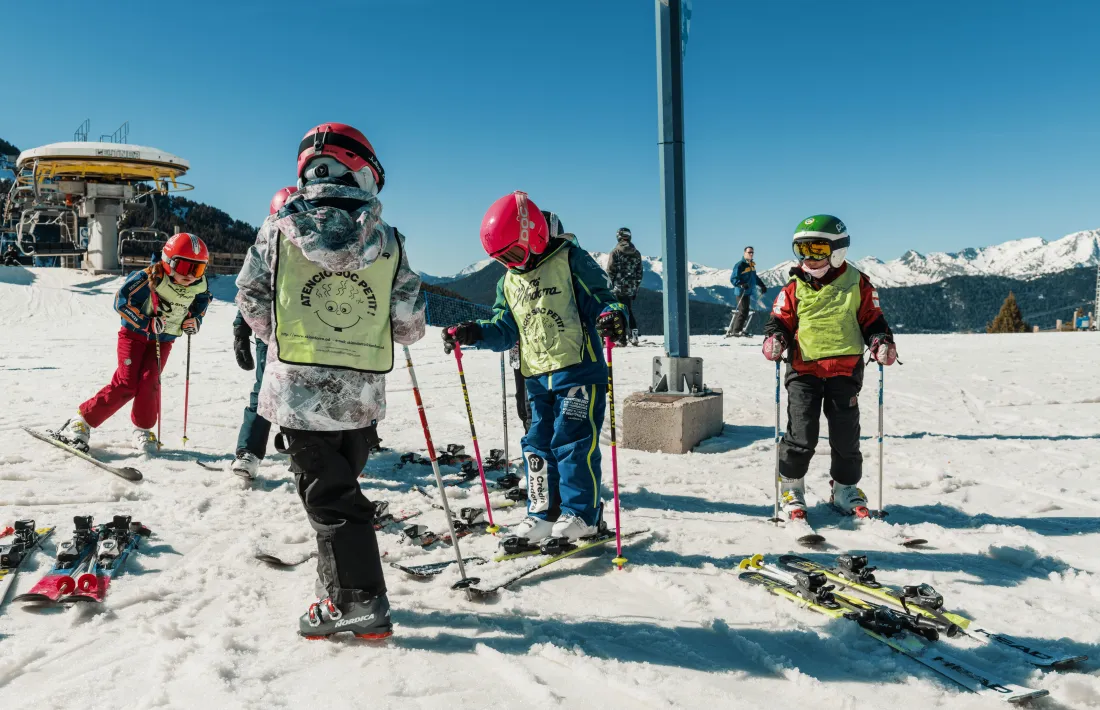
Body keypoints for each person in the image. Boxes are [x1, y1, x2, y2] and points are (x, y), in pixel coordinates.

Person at [236, 122, 424, 640]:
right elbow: (409, 326)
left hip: (298, 394)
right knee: (337, 493)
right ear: (362, 172)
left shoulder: (276, 231)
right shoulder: (389, 242)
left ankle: (359, 603)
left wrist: (285, 340)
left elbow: (251, 297)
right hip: (360, 400)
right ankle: (341, 589)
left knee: (330, 501)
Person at [444, 191, 625, 545]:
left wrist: (611, 315)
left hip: (578, 369)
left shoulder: (571, 260)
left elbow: (603, 299)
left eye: (513, 253)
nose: (511, 263)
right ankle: (542, 513)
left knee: (572, 441)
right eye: (501, 259)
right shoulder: (509, 281)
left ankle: (582, 515)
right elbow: (504, 329)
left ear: (535, 236)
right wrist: (474, 333)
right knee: (537, 443)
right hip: (536, 376)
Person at [761, 215, 897, 523]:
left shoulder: (857, 283)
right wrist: (776, 338)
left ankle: (845, 488)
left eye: (818, 249)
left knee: (845, 434)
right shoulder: (793, 286)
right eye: (803, 250)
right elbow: (780, 320)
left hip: (844, 370)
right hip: (804, 370)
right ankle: (792, 487)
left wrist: (880, 341)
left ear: (837, 250)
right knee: (802, 433)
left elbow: (873, 319)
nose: (809, 258)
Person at [55, 233, 211, 453]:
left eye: (198, 270)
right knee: (126, 383)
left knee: (151, 381)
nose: (190, 276)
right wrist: (146, 322)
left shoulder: (199, 286)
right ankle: (81, 421)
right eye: (185, 267)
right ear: (168, 261)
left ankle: (143, 429)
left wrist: (194, 320)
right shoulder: (149, 277)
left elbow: (201, 303)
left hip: (164, 339)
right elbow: (122, 302)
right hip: (134, 335)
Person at [228, 186, 299, 481]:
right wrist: (241, 329)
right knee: (263, 392)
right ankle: (249, 453)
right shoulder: (266, 247)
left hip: (309, 337)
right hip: (269, 337)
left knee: (306, 396)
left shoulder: (317, 250)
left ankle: (307, 455)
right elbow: (250, 291)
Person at [606, 227, 643, 345]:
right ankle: (634, 335)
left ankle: (621, 339)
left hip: (618, 287)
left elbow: (610, 270)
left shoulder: (615, 252)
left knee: (618, 311)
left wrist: (609, 285)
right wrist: (636, 287)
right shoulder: (636, 253)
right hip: (631, 287)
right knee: (628, 310)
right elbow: (639, 272)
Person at [728, 246, 768, 337]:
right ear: (744, 253)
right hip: (741, 291)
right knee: (743, 310)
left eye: (752, 252)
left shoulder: (751, 265)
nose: (751, 254)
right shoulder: (740, 265)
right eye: (749, 252)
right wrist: (741, 284)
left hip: (748, 292)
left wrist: (762, 285)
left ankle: (737, 330)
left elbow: (755, 277)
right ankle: (736, 331)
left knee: (745, 311)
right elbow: (733, 279)